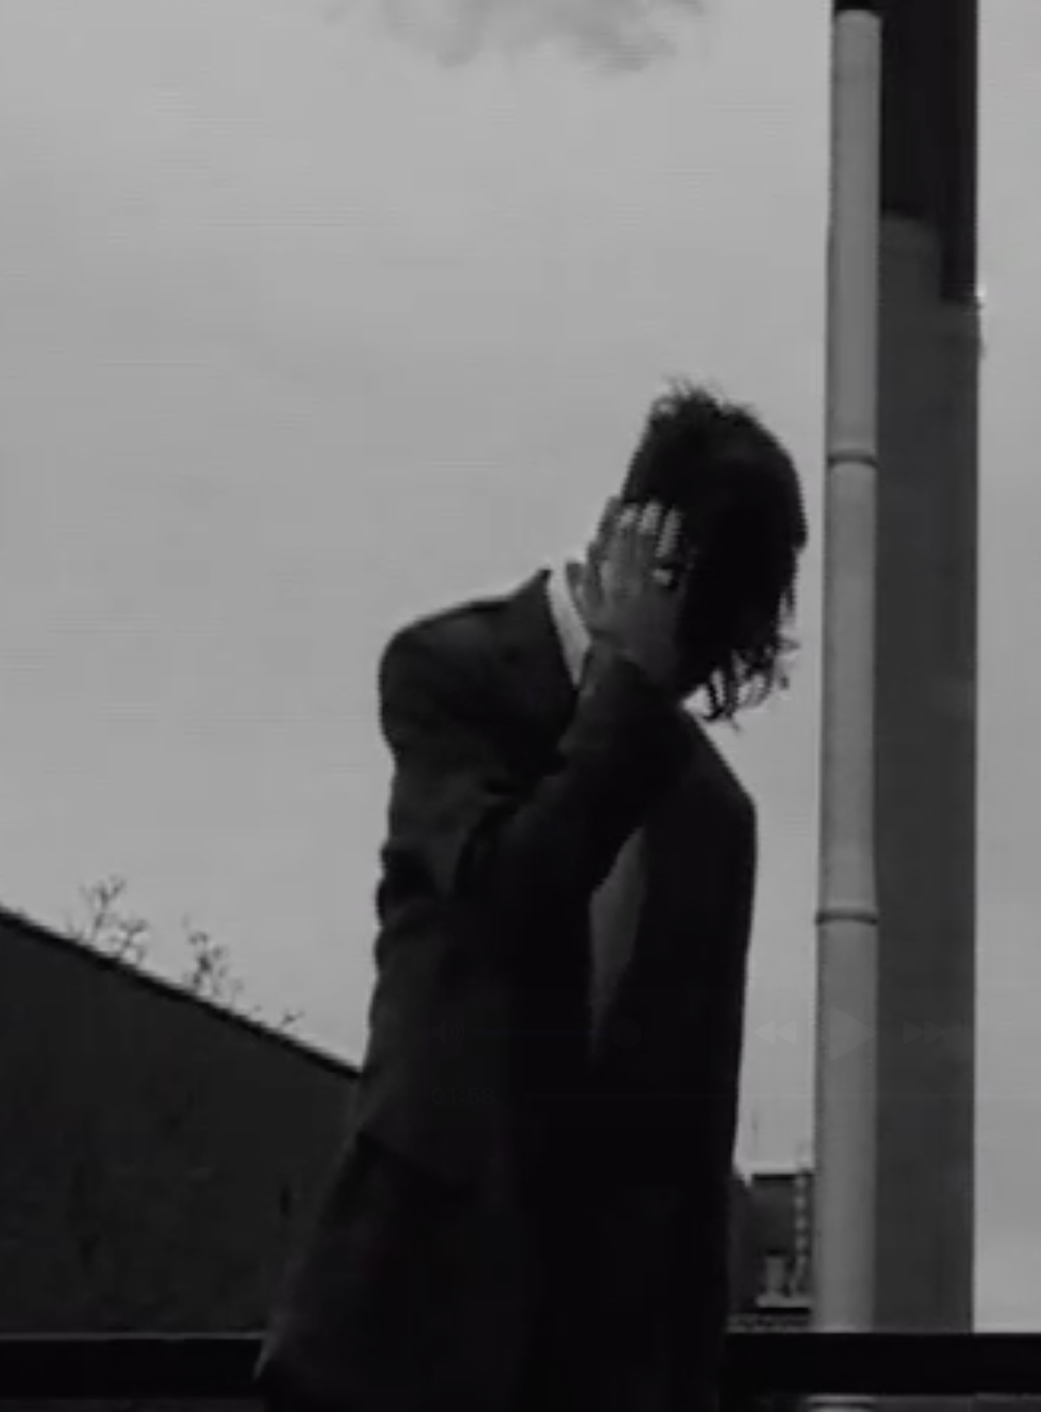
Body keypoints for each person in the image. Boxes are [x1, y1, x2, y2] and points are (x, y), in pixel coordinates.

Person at [259, 383, 807, 1412]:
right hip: (401, 1337)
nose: (694, 685)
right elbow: (508, 895)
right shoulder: (447, 674)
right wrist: (625, 693)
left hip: (593, 1368)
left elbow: (690, 1154)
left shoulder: (713, 816)